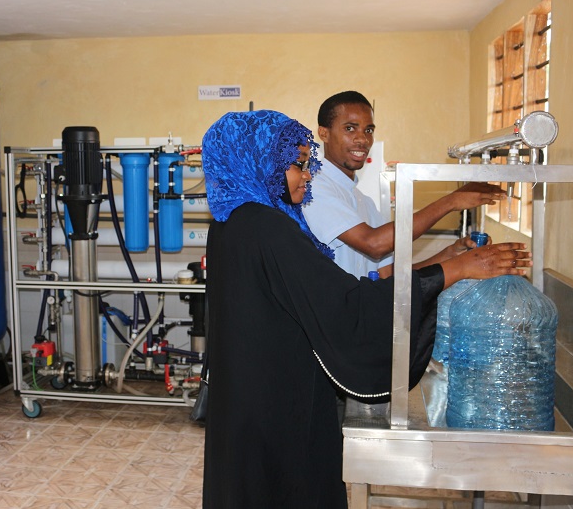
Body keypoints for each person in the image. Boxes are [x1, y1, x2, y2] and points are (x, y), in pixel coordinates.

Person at [200, 109, 531, 509]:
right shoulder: (267, 227)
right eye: (298, 164)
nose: (307, 175)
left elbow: (339, 288)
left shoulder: (230, 223)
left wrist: (447, 265)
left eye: (308, 164)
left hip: (248, 402)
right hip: (278, 408)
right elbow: (348, 306)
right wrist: (455, 270)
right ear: (260, 159)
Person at [303, 90, 506, 278]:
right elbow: (373, 244)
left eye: (369, 130)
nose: (362, 139)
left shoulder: (362, 202)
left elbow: (390, 276)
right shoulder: (313, 188)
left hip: (361, 311)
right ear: (324, 133)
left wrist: (452, 254)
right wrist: (450, 202)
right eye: (350, 128)